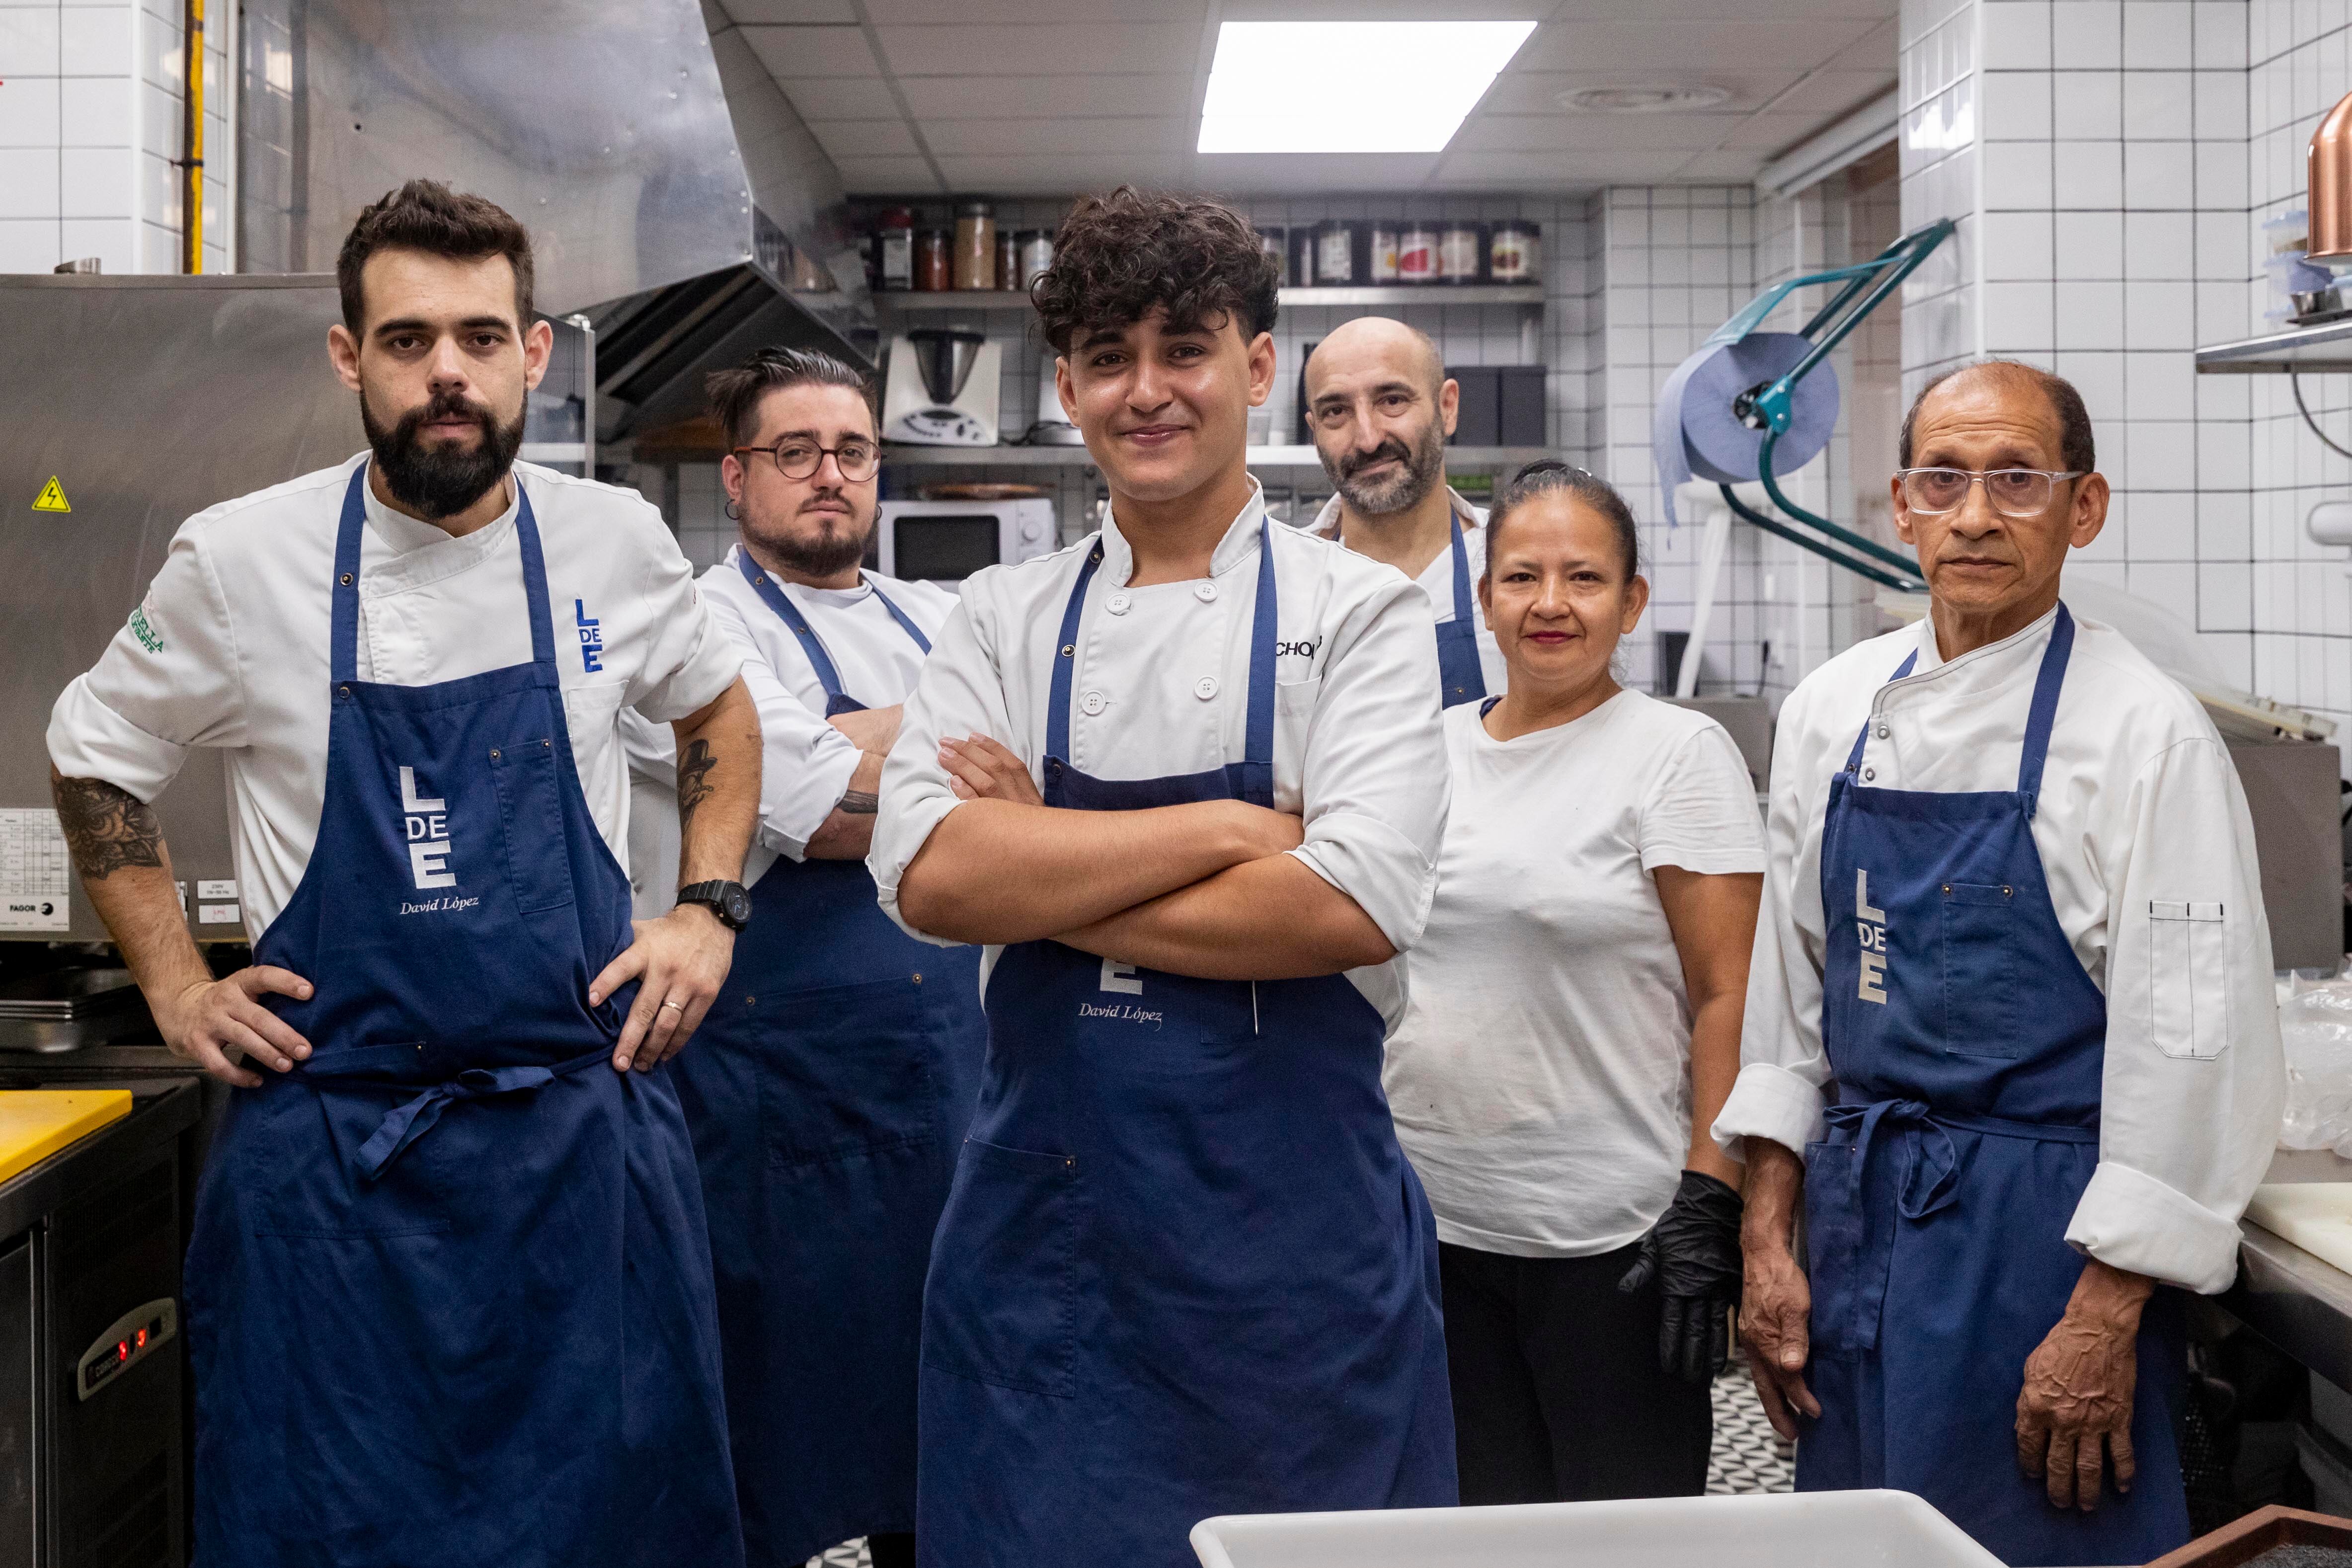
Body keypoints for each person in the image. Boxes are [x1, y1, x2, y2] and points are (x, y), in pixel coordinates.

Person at [45, 180, 758, 1568]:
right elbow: (93, 751)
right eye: (410, 338)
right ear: (348, 355)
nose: (449, 373)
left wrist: (707, 907)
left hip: (576, 1153)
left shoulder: (610, 541)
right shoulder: (240, 557)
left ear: (533, 353)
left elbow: (716, 710)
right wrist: (179, 989)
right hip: (332, 1177)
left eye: (482, 338)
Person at [868, 187, 1457, 1568]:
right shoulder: (999, 616)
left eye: (1182, 347)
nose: (1146, 390)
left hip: (1290, 1251)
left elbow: (1343, 905)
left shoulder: (1357, 612)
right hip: (1046, 1240)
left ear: (1255, 367)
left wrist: (1048, 864)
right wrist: (1234, 828)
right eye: (1105, 356)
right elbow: (937, 881)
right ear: (1064, 383)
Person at [1715, 361, 2286, 1566]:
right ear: (1901, 502)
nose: (1976, 513)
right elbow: (1789, 998)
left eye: (2018, 479)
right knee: (1862, 1542)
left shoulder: (2144, 732)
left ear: (2084, 508)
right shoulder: (1830, 709)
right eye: (1945, 478)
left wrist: (2105, 1313)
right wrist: (1769, 1235)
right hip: (1858, 1225)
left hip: (2043, 1246)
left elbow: (2193, 1043)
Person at [622, 346, 984, 1568]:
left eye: (852, 451)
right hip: (782, 1091)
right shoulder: (694, 627)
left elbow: (1016, 791)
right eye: (795, 452)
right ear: (735, 477)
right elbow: (808, 808)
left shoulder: (934, 615)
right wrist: (943, 768)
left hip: (951, 1075)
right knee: (786, 1396)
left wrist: (875, 756)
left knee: (943, 1383)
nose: (828, 475)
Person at [1382, 459, 1762, 1504]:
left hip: (1614, 1245)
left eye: (1585, 579)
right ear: (1484, 598)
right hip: (1432, 1237)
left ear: (1632, 602)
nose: (1550, 604)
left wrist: (1709, 1200)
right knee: (1470, 1535)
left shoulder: (1677, 754)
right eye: (1522, 577)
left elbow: (1731, 992)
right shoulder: (1428, 751)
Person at [1302, 316, 1505, 707]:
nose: (1368, 438)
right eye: (1335, 412)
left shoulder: (1513, 566)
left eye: (1392, 401)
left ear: (1447, 408)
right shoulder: (1289, 583)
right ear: (1315, 430)